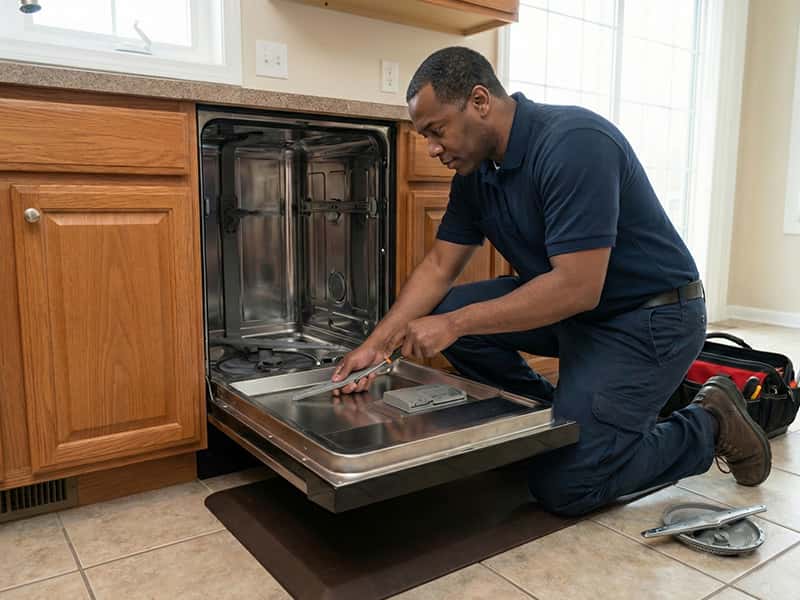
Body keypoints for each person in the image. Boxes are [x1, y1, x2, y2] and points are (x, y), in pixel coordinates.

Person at [331, 46, 771, 516]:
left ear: (480, 101)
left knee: (567, 485)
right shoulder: (476, 173)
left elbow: (579, 286)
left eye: (436, 131)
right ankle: (553, 426)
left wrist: (457, 324)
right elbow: (440, 265)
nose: (432, 148)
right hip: (574, 313)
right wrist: (379, 342)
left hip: (649, 318)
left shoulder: (574, 143)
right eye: (425, 136)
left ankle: (708, 423)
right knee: (441, 314)